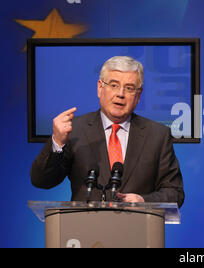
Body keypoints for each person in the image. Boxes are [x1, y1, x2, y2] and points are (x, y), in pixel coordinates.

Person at [31, 56, 184, 207]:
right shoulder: (75, 130)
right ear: (100, 88)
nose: (120, 94)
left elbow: (175, 193)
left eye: (129, 88)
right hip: (84, 229)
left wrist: (144, 201)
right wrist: (57, 142)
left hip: (137, 228)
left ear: (138, 96)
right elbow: (42, 180)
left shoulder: (157, 135)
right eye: (114, 85)